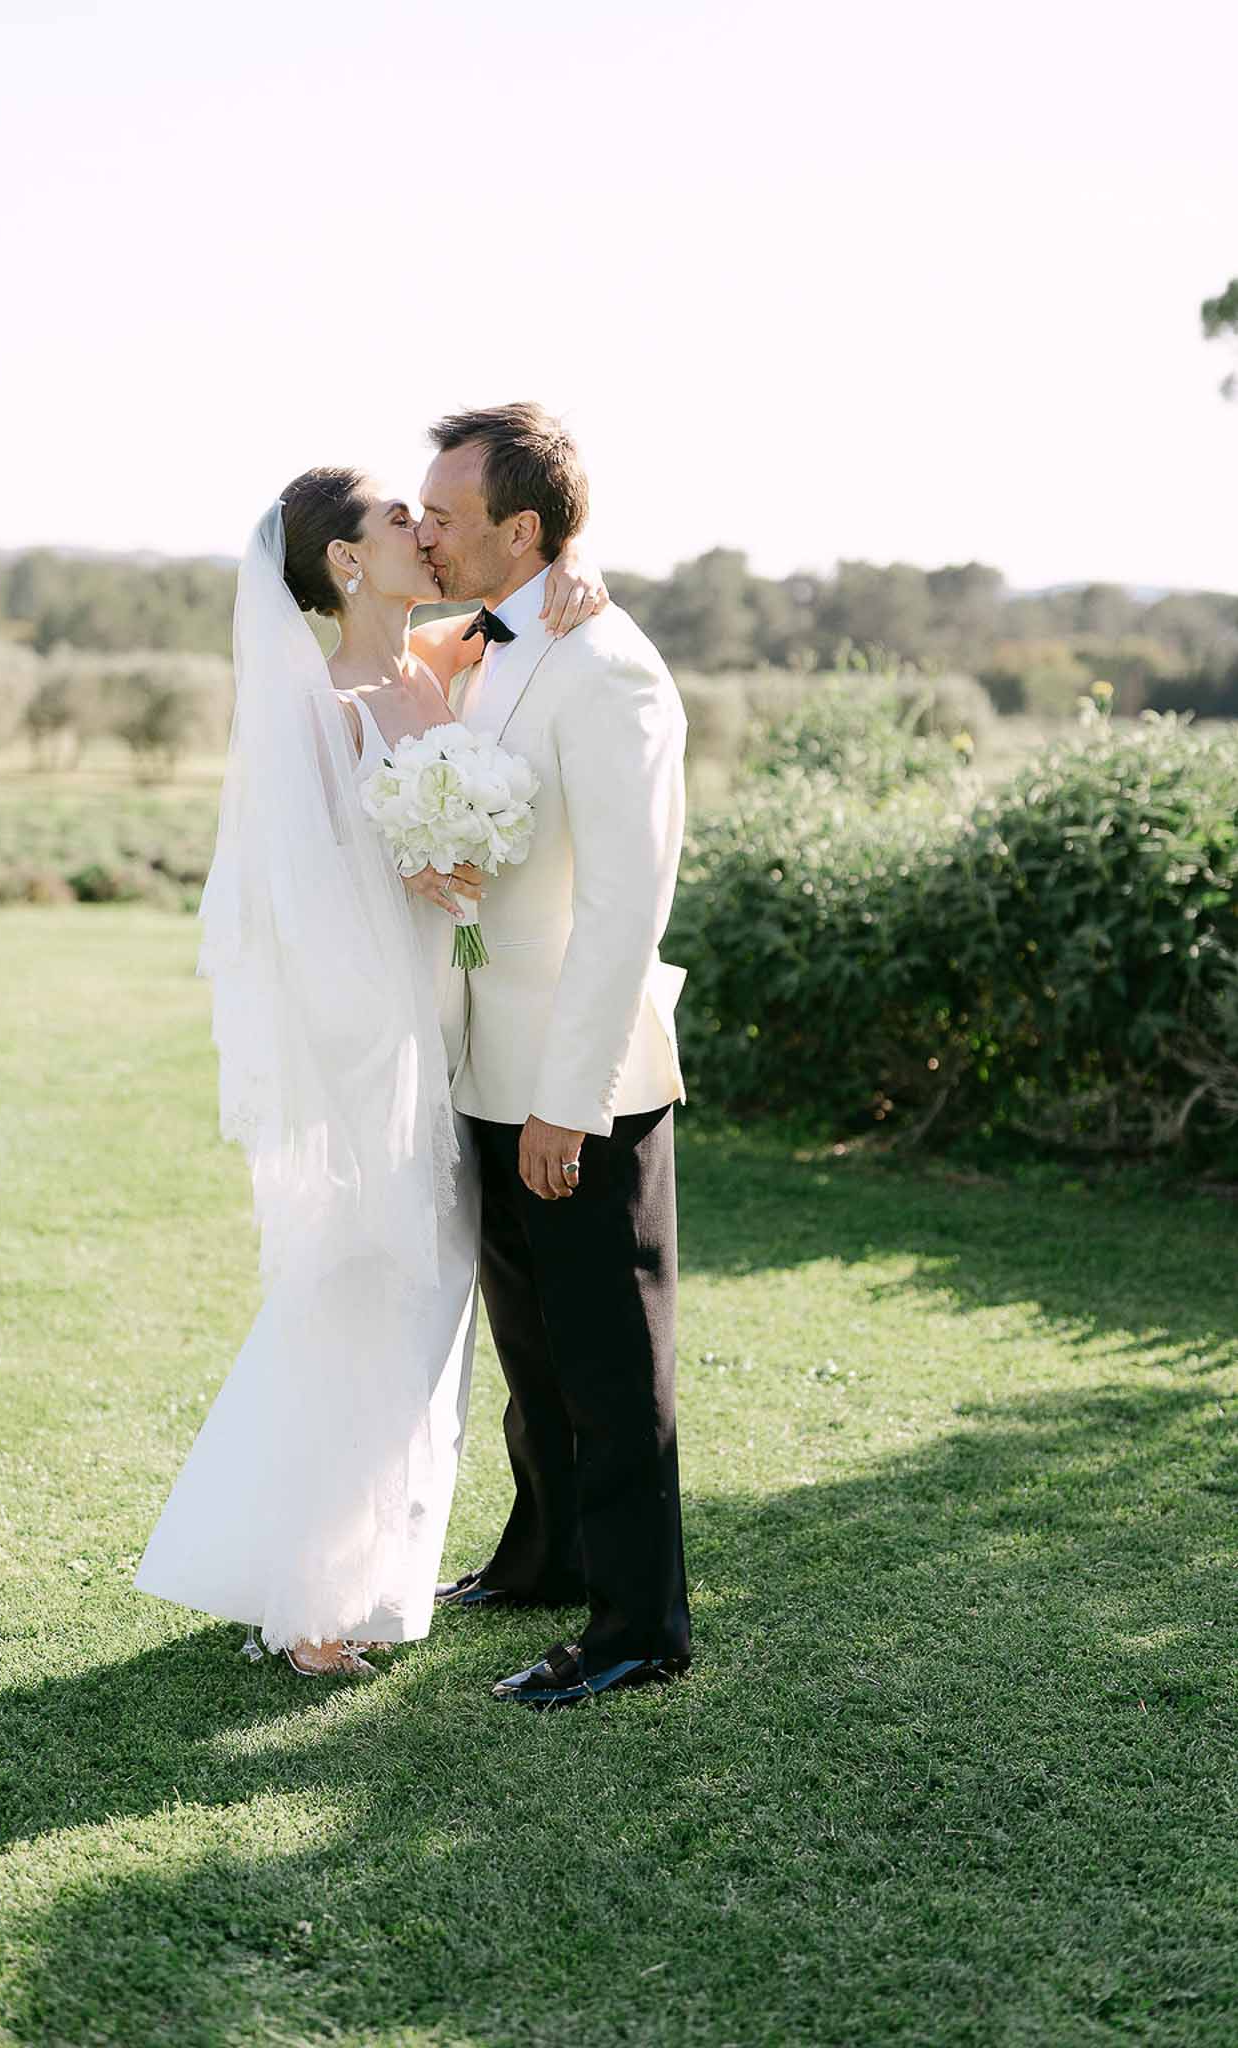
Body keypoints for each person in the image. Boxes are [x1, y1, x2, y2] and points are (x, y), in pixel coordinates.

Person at [133, 466, 605, 1678]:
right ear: (346, 561)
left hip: (451, 1028)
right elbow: (299, 901)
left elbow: (523, 618)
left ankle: (346, 1572)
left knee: (425, 1297)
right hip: (371, 1041)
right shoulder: (325, 704)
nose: (421, 528)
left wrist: (582, 579)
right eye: (398, 518)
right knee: (363, 1293)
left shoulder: (426, 666)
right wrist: (411, 885)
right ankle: (311, 1604)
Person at [419, 403, 693, 1709]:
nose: (423, 531)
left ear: (520, 528)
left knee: (605, 1358)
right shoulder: (497, 641)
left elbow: (623, 909)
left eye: (445, 515)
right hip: (486, 1061)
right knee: (531, 1346)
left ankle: (639, 1628)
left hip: (576, 1084)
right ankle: (542, 1558)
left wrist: (566, 1105)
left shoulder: (610, 668)